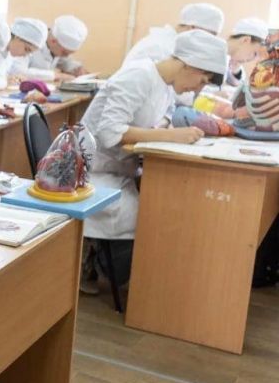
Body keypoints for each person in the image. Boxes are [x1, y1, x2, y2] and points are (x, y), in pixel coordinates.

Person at [81, 31, 227, 284]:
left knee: (163, 204)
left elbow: (166, 114)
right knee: (152, 215)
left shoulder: (166, 85)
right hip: (89, 172)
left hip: (118, 167)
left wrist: (165, 130)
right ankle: (97, 263)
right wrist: (170, 136)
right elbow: (109, 132)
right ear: (189, 65)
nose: (198, 89)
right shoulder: (138, 76)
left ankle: (112, 267)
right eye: (202, 81)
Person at [123, 3, 224, 67]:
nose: (211, 41)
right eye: (211, 35)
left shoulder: (172, 44)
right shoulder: (161, 47)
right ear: (192, 28)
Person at [28, 15, 90, 81]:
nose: (66, 56)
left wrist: (77, 68)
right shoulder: (29, 40)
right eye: (64, 53)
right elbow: (21, 71)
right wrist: (56, 76)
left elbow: (65, 61)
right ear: (53, 41)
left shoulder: (55, 46)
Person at [224, 17, 268, 87]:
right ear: (245, 40)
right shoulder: (211, 51)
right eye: (255, 54)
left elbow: (238, 85)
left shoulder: (231, 62)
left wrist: (235, 70)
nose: (253, 59)